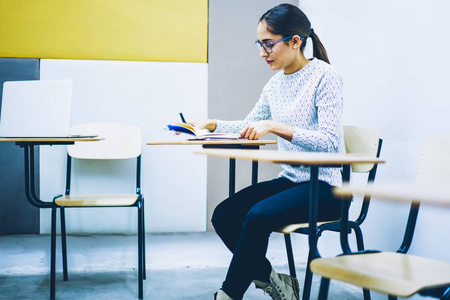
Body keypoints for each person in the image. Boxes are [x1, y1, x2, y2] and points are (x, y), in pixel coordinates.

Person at [191, 3, 344, 300]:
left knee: (258, 215)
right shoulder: (275, 84)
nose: (263, 52)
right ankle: (274, 280)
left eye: (268, 44)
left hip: (325, 187)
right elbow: (250, 124)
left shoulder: (326, 77)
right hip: (291, 181)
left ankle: (228, 294)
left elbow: (328, 142)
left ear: (295, 41)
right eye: (259, 44)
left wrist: (275, 126)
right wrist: (211, 124)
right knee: (224, 215)